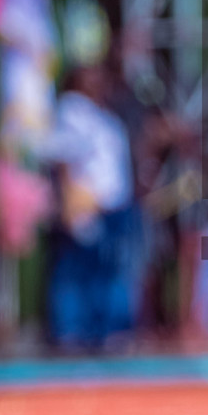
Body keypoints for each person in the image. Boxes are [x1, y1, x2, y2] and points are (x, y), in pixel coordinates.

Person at [39, 64, 134, 352]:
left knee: (106, 270)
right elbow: (65, 158)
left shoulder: (100, 114)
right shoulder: (72, 111)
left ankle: (106, 331)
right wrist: (70, 203)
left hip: (111, 204)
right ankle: (71, 331)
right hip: (87, 204)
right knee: (76, 271)